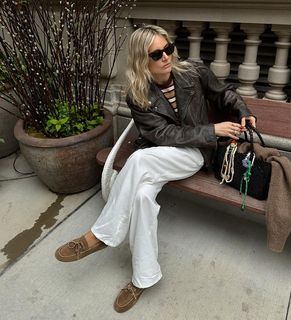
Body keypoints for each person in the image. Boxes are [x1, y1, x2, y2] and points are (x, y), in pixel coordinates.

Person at [55, 25, 256, 313]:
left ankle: (101, 235)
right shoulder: (138, 95)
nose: (166, 56)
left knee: (137, 160)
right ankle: (143, 278)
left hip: (196, 153)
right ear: (141, 60)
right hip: (161, 155)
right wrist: (211, 128)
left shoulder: (194, 72)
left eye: (169, 48)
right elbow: (163, 136)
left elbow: (224, 94)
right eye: (157, 53)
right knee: (141, 198)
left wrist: (244, 112)